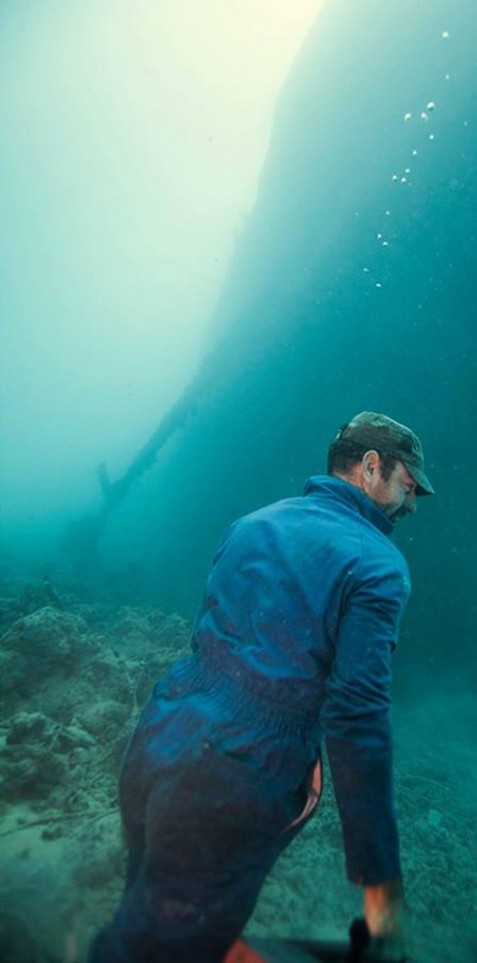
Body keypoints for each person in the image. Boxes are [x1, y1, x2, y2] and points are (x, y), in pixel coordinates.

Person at [89, 411, 434, 963]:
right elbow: (357, 719)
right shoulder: (378, 566)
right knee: (152, 948)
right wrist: (380, 882)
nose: (411, 502)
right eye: (408, 484)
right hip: (234, 777)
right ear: (372, 467)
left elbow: (217, 637)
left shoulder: (252, 522)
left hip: (158, 737)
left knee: (150, 915)